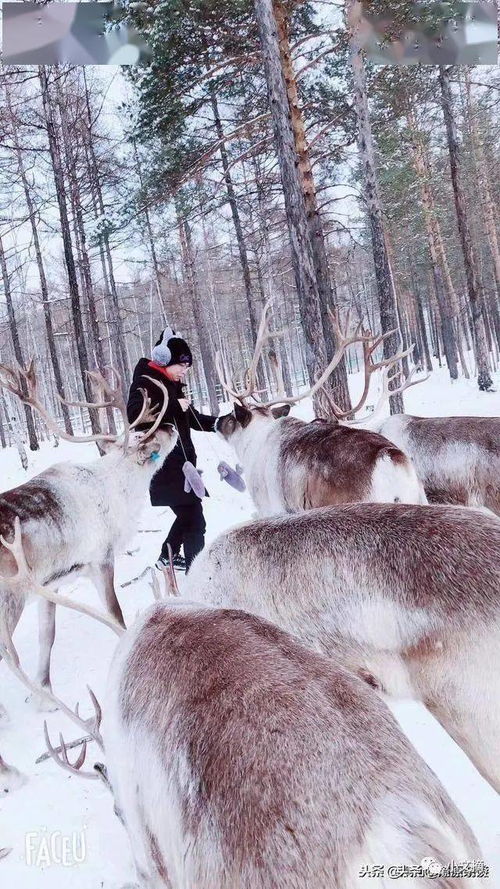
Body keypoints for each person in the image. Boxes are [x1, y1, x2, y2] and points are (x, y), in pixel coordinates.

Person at [127, 327, 218, 572]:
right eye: (181, 365)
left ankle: (167, 557)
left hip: (182, 464)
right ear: (164, 359)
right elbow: (135, 416)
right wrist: (174, 407)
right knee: (195, 520)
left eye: (187, 367)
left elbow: (191, 417)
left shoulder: (173, 385)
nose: (184, 371)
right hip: (164, 463)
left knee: (188, 514)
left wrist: (220, 424)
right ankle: (197, 573)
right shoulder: (145, 382)